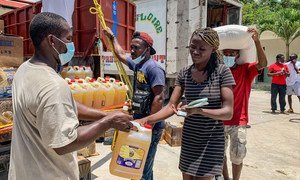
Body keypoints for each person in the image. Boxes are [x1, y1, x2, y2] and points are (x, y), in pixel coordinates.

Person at [8, 12, 133, 180]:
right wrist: (108, 122)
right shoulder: (53, 85)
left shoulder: (24, 70)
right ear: (52, 41)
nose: (71, 44)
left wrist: (104, 114)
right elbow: (65, 143)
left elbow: (64, 104)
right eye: (67, 38)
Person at [135, 27, 235, 180]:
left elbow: (228, 112)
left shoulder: (222, 72)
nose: (195, 52)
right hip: (190, 137)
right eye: (192, 47)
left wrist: (199, 111)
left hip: (211, 139)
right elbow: (171, 107)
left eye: (202, 48)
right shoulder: (184, 73)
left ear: (213, 49)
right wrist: (146, 120)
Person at [104, 28, 165, 180]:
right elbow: (119, 54)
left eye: (136, 47)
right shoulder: (138, 64)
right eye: (131, 47)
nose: (132, 50)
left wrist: (149, 124)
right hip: (138, 124)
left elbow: (159, 97)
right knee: (136, 165)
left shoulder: (153, 68)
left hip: (150, 127)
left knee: (142, 168)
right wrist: (112, 37)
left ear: (147, 50)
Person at [220, 28, 268, 180]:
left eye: (232, 53)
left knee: (238, 155)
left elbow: (263, 63)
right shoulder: (219, 72)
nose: (228, 56)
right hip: (219, 120)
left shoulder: (245, 70)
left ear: (238, 55)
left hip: (238, 121)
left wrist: (257, 41)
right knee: (220, 155)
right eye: (225, 53)